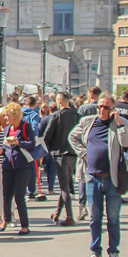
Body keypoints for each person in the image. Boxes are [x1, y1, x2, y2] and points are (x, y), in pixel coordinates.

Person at [70, 92, 128, 257]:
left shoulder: (120, 123)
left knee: (113, 217)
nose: (101, 110)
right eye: (99, 106)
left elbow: (126, 143)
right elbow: (73, 137)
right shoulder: (87, 122)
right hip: (92, 178)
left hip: (112, 178)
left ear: (113, 109)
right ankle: (95, 252)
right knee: (94, 218)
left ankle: (114, 252)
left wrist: (119, 123)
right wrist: (83, 153)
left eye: (105, 107)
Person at [0, 102, 37, 233]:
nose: (6, 118)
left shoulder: (25, 126)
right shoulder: (8, 128)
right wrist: (1, 149)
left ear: (14, 115)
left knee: (19, 195)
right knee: (6, 194)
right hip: (8, 164)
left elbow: (32, 143)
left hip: (23, 165)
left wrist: (19, 142)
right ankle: (6, 219)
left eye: (7, 115)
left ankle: (24, 225)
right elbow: (6, 145)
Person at [43, 93, 81, 226]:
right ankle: (58, 213)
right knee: (65, 184)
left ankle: (69, 216)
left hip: (59, 154)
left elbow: (47, 135)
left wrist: (42, 150)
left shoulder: (56, 115)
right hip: (73, 153)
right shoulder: (76, 115)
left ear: (59, 101)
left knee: (64, 187)